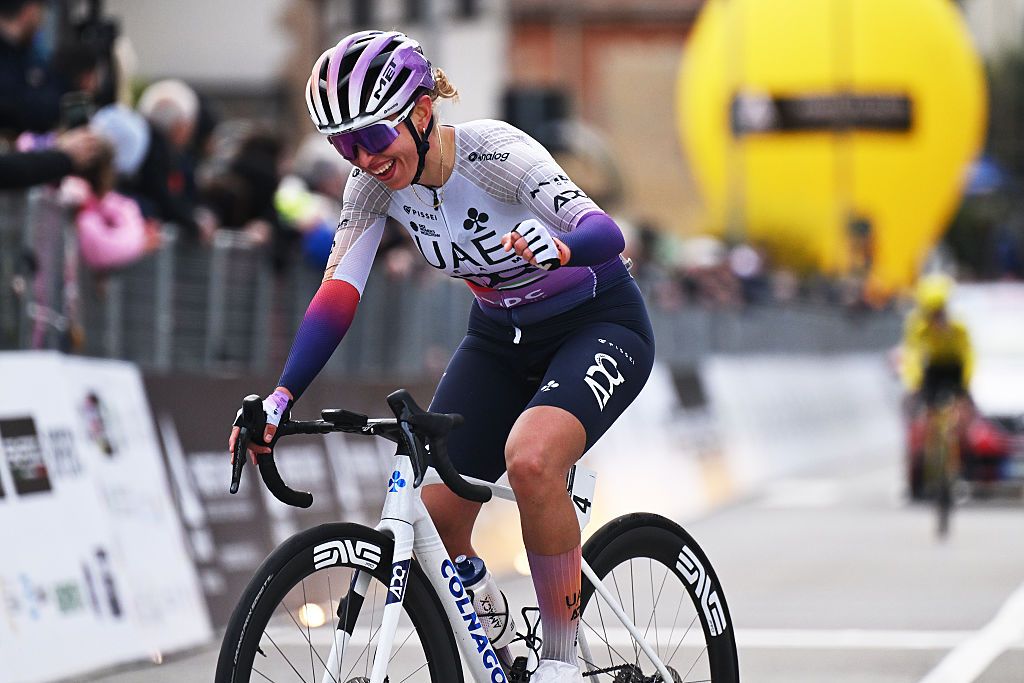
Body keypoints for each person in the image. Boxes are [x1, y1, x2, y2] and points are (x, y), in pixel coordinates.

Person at [228, 30, 654, 682]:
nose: (362, 157)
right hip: (498, 338)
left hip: (597, 323)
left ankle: (564, 662)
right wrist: (281, 397)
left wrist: (561, 248)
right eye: (344, 144)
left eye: (372, 137)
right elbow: (338, 294)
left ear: (422, 112)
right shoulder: (371, 186)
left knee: (531, 459)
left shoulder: (498, 154)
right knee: (437, 512)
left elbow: (605, 231)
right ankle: (499, 646)